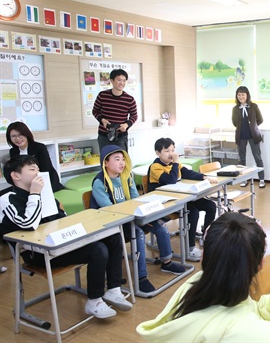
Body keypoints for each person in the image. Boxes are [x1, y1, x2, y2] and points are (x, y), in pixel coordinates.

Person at [136, 212, 270, 342]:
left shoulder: (194, 286)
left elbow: (253, 309)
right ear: (260, 264)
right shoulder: (247, 331)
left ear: (204, 258)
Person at [0, 155, 132, 318]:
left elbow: (62, 217)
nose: (38, 173)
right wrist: (34, 194)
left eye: (38, 169)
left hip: (60, 242)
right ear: (16, 175)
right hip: (39, 253)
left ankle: (113, 289)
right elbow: (28, 223)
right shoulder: (7, 199)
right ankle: (94, 301)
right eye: (33, 169)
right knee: (98, 250)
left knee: (112, 238)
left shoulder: (44, 193)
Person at [90, 145, 185, 293]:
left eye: (123, 159)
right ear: (105, 163)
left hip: (131, 217)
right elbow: (109, 210)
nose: (122, 163)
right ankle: (141, 278)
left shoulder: (127, 177)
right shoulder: (99, 183)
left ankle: (167, 262)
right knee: (138, 234)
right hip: (113, 224)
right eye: (117, 159)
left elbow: (136, 198)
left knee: (160, 225)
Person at [147, 137, 217, 262]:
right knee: (193, 212)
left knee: (211, 206)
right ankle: (189, 248)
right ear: (158, 153)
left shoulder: (175, 164)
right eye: (167, 151)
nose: (171, 154)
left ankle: (207, 235)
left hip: (181, 197)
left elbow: (187, 173)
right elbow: (171, 180)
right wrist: (175, 163)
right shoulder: (155, 167)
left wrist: (204, 177)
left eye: (173, 150)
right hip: (166, 202)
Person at [6, 121, 64, 192]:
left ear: (26, 134)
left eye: (20, 135)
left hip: (44, 182)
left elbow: (45, 169)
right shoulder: (13, 151)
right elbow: (15, 170)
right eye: (13, 136)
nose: (17, 139)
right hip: (24, 184)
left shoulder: (39, 147)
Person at [92, 68, 138, 152]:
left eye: (124, 80)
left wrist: (126, 125)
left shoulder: (129, 99)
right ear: (112, 81)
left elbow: (134, 116)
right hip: (104, 135)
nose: (122, 83)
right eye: (119, 80)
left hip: (121, 136)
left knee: (121, 162)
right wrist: (102, 120)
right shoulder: (102, 95)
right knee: (106, 161)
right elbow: (95, 111)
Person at [231, 86, 265, 188]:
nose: (241, 97)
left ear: (247, 95)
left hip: (253, 136)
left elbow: (260, 120)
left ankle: (262, 179)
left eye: (243, 95)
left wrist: (253, 126)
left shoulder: (254, 106)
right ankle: (244, 179)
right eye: (239, 95)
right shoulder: (235, 109)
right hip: (241, 136)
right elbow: (234, 122)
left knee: (257, 158)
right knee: (242, 159)